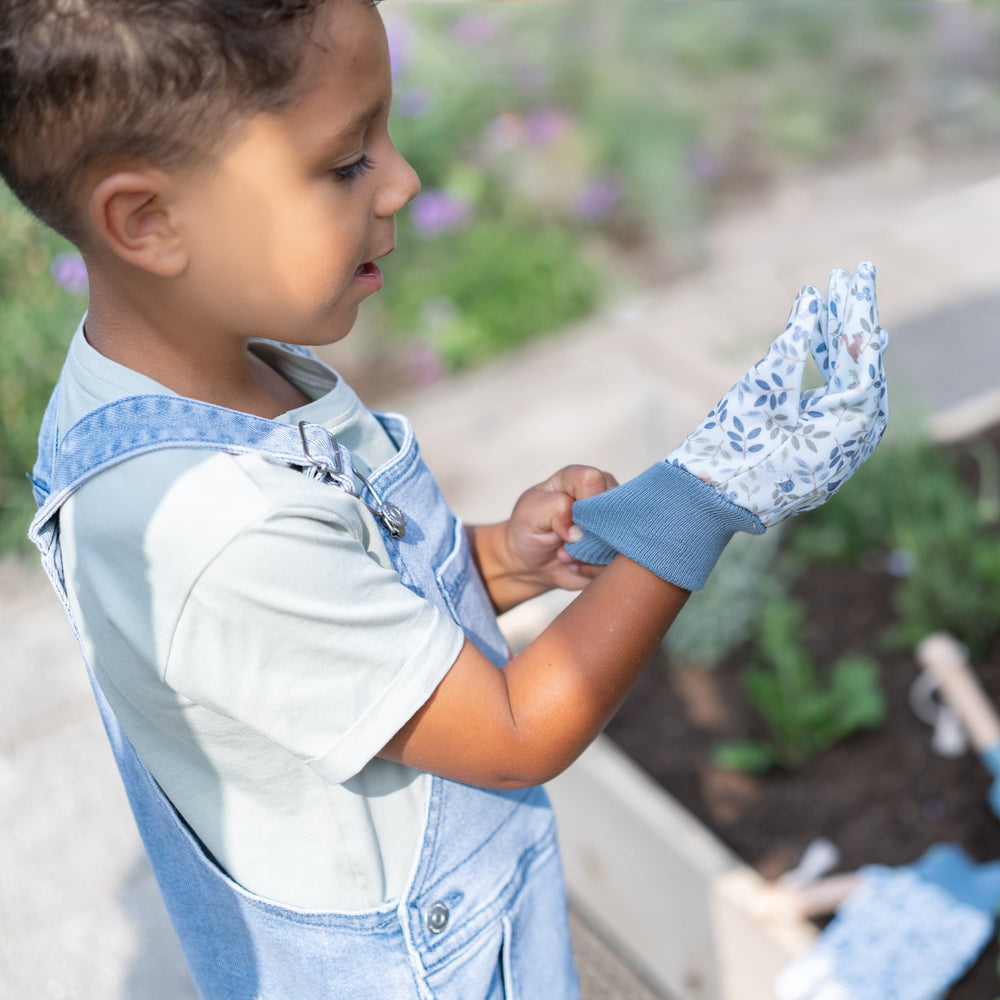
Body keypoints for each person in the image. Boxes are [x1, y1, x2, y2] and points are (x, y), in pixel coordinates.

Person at [2, 1, 888, 997]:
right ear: (149, 221)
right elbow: (513, 734)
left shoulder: (211, 372)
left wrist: (504, 557)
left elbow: (357, 604)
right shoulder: (215, 527)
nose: (404, 181)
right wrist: (700, 501)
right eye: (347, 162)